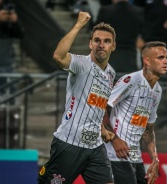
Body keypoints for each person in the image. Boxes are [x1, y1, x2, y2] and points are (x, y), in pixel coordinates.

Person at [38, 11, 117, 184]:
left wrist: (102, 129)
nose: (101, 45)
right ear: (90, 44)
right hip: (69, 144)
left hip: (95, 146)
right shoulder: (81, 64)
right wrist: (79, 25)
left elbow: (98, 104)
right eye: (97, 40)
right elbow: (58, 56)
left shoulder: (111, 73)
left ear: (113, 46)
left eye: (106, 41)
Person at [103, 41, 167, 184]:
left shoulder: (157, 90)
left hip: (135, 156)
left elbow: (148, 128)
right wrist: (114, 139)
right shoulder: (131, 80)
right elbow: (102, 108)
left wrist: (155, 159)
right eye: (160, 58)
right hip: (115, 154)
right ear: (147, 61)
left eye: (166, 58)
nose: (166, 61)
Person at [95, 0, 144, 73]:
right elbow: (143, 34)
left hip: (110, 57)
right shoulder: (138, 11)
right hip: (131, 58)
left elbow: (96, 35)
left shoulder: (105, 11)